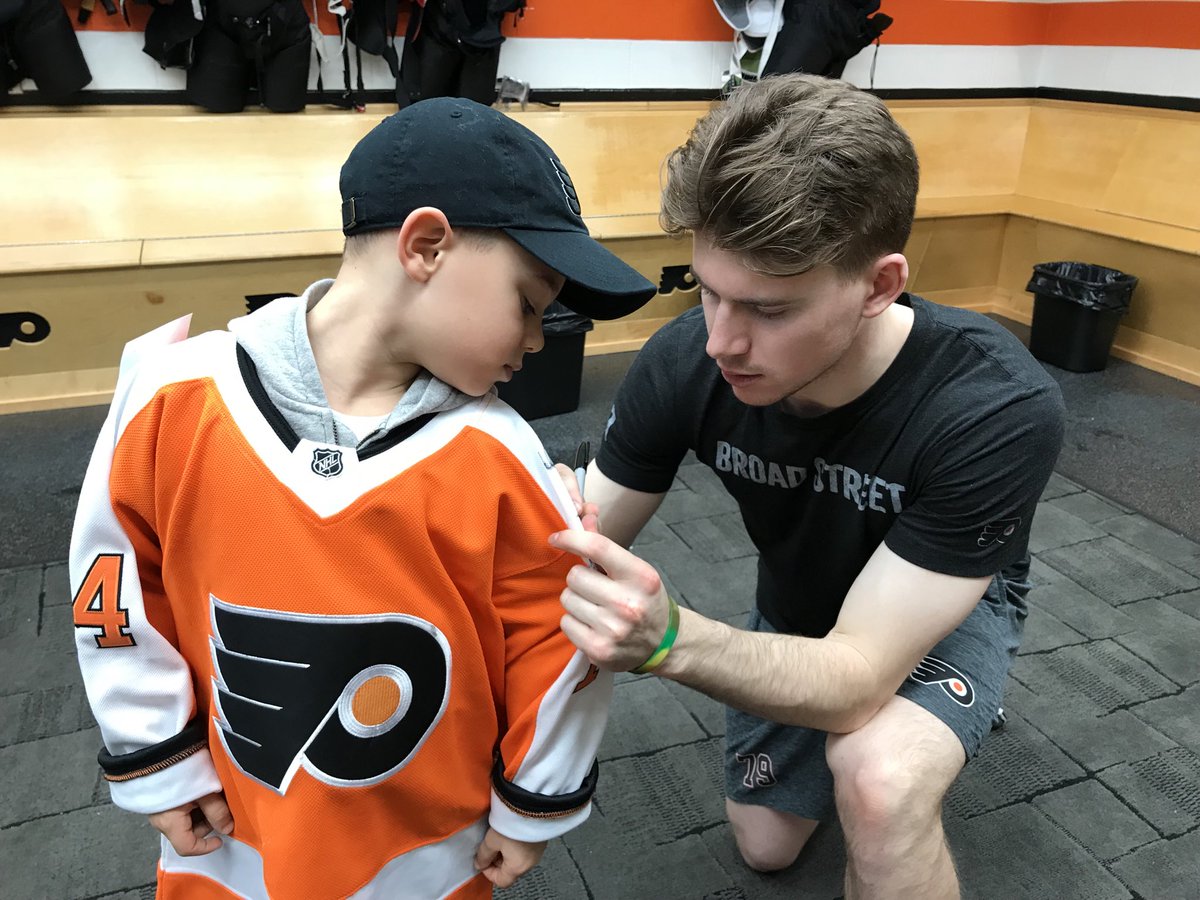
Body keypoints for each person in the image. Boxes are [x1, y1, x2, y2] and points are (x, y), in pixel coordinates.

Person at [68, 98, 655, 899]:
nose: (537, 337)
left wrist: (533, 804)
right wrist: (155, 757)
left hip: (430, 860)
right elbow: (112, 587)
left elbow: (560, 642)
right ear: (426, 246)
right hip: (234, 848)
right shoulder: (174, 398)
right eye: (529, 299)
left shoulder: (506, 454)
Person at [550, 74, 1065, 899]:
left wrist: (674, 642)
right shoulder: (689, 357)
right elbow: (574, 541)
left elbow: (857, 673)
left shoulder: (994, 405)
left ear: (879, 286)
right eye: (709, 292)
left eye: (770, 310)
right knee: (767, 848)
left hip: (935, 615)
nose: (723, 342)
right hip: (799, 603)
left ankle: (941, 712)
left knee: (878, 776)